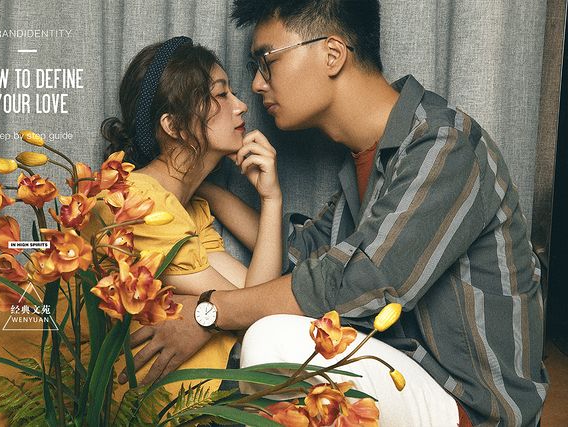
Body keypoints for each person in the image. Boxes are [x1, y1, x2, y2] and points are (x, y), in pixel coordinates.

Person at [128, 1, 549, 426]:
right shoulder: (364, 165)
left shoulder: (445, 147)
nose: (255, 85)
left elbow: (362, 280)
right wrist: (200, 186)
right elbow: (299, 261)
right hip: (402, 380)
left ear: (332, 54)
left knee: (271, 341)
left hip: (470, 407)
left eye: (267, 61)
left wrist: (208, 314)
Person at [0, 37, 284, 426]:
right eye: (221, 94)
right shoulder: (137, 200)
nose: (241, 105)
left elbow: (256, 297)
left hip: (70, 402)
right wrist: (267, 200)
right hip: (16, 406)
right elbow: (251, 311)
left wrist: (264, 196)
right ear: (174, 126)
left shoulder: (177, 204)